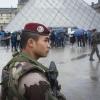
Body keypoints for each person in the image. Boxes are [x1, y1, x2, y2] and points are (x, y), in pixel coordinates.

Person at [1, 22, 60, 100]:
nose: (49, 45)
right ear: (31, 43)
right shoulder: (36, 80)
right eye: (46, 41)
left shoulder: (15, 62)